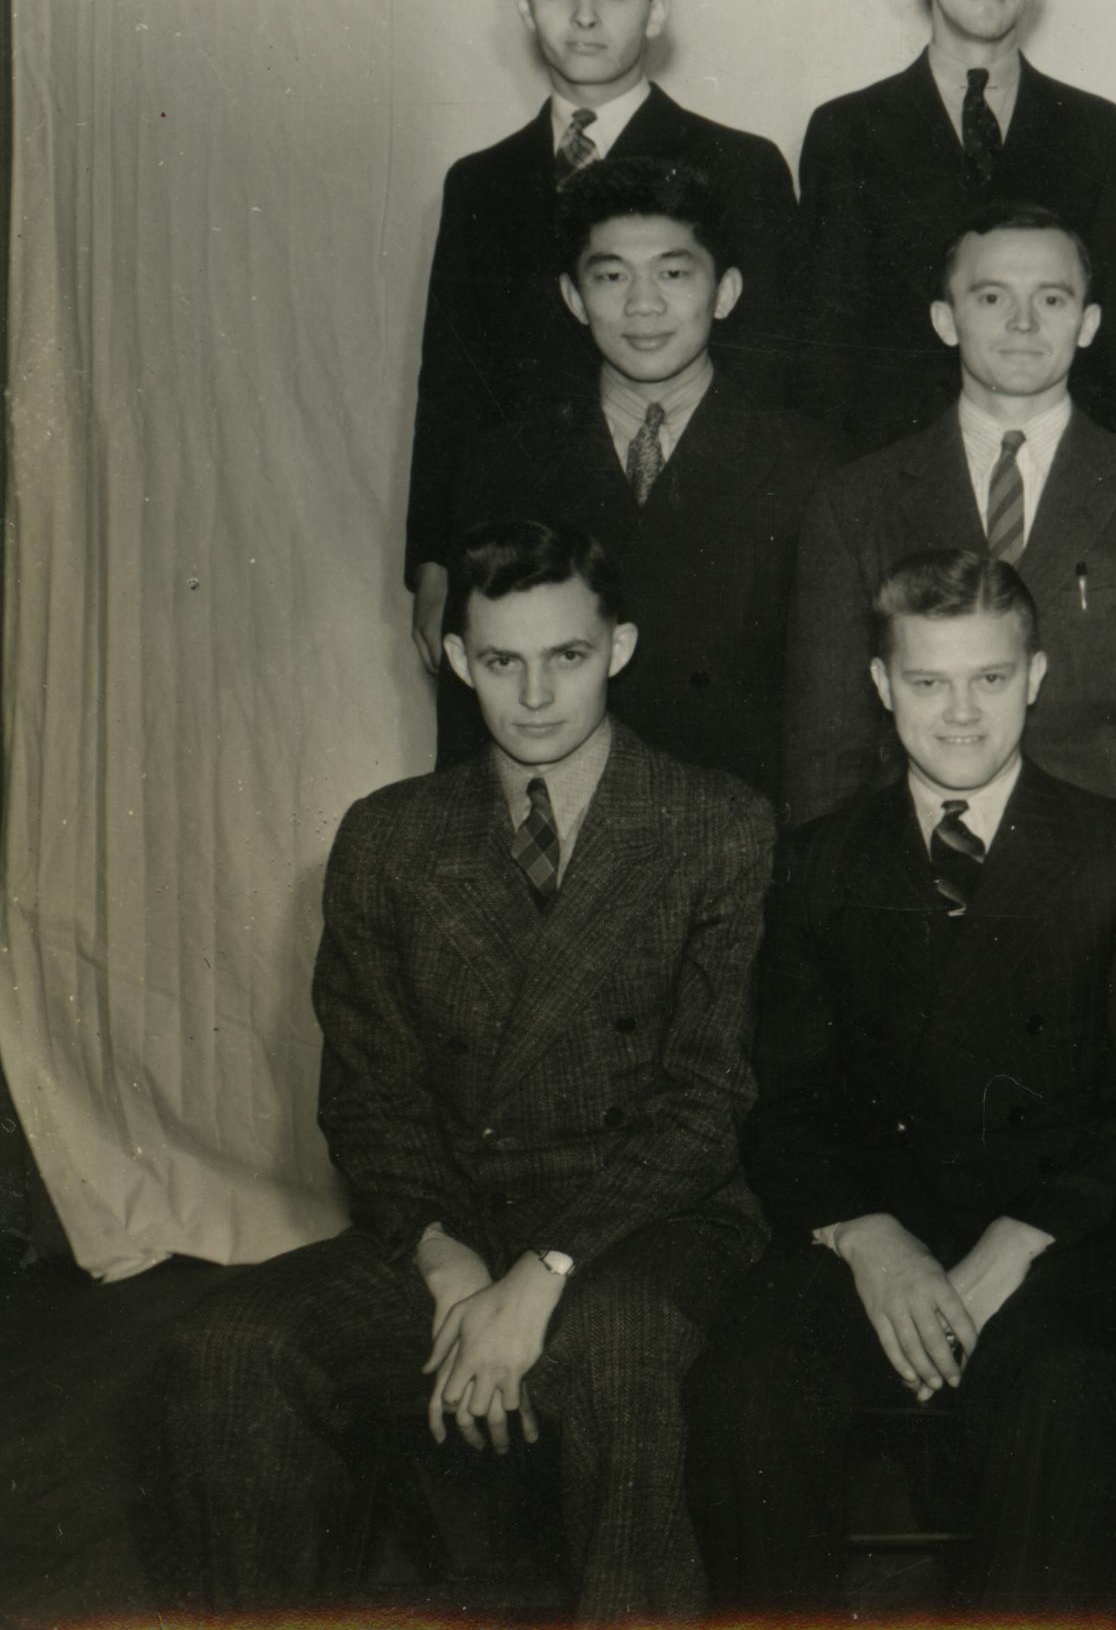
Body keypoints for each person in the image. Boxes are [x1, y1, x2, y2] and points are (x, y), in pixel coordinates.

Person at [158, 520, 770, 1619]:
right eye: (500, 660)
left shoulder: (715, 823)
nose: (534, 694)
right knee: (230, 1344)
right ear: (455, 658)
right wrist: (449, 1268)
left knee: (613, 1349)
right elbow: (370, 1097)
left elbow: (705, 1104)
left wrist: (543, 1271)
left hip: (647, 1227)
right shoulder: (388, 838)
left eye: (567, 656)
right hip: (451, 1225)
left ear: (620, 647)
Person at [688, 550, 1116, 1618]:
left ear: (1037, 675)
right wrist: (867, 1238)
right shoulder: (821, 861)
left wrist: (1022, 1239)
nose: (960, 711)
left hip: (1061, 1237)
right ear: (882, 686)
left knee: (1059, 1394)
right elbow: (783, 1102)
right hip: (882, 1230)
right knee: (750, 1374)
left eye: (988, 677)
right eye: (928, 682)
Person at [404, 0, 798, 759]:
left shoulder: (741, 164)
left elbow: (771, 373)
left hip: (694, 542)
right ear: (522, 5)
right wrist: (431, 561)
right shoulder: (481, 182)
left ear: (655, 11)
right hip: (522, 538)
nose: (584, 18)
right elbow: (451, 382)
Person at [782, 201, 1116, 913]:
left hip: (1096, 899)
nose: (1023, 324)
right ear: (944, 318)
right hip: (906, 899)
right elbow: (824, 758)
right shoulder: (855, 502)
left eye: (1051, 299)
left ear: (1087, 325)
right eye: (992, 298)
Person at [453, 157, 836, 798]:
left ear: (726, 292)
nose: (643, 304)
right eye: (611, 276)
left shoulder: (810, 464)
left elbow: (830, 714)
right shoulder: (506, 462)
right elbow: (468, 705)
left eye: (673, 272)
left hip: (746, 841)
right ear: (574, 298)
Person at [795, 0, 1116, 456]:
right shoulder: (848, 132)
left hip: (1059, 469)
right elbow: (825, 352)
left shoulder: (1101, 132)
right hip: (898, 470)